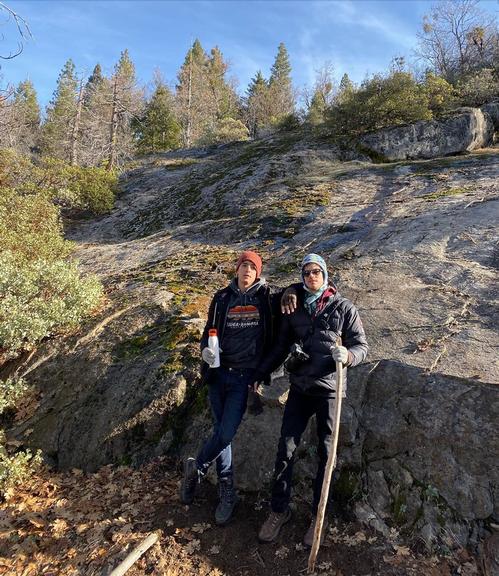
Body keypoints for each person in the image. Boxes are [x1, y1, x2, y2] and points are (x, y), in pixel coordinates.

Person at [256, 253, 368, 545]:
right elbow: (280, 345)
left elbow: (362, 346)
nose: (311, 277)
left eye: (316, 272)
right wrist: (261, 372)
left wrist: (350, 356)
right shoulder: (293, 307)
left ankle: (319, 516)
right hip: (300, 388)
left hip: (330, 391)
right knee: (286, 449)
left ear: (326, 274)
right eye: (306, 273)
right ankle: (279, 510)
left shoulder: (344, 308)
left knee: (326, 454)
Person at [180, 250, 282, 525]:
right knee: (220, 433)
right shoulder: (221, 298)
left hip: (244, 378)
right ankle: (228, 493)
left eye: (252, 267)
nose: (247, 270)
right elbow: (207, 334)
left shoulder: (267, 298)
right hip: (218, 374)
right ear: (236, 270)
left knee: (225, 433)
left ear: (258, 273)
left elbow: (297, 289)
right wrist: (205, 352)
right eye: (243, 265)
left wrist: (295, 293)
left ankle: (196, 468)